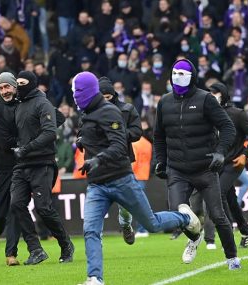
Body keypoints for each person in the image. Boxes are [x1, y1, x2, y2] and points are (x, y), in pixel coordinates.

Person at [73, 72, 201, 285]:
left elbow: (118, 146)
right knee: (90, 230)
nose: (75, 96)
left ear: (86, 91)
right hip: (96, 184)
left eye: (77, 91)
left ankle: (185, 218)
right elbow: (91, 137)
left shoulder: (110, 112)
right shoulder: (85, 114)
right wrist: (82, 142)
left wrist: (97, 159)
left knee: (152, 223)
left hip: (120, 179)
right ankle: (95, 277)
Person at [154, 59, 240, 269]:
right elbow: (159, 136)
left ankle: (232, 258)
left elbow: (228, 127)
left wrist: (220, 153)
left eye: (182, 73)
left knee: (218, 216)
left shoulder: (205, 99)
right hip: (177, 169)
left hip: (205, 167)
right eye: (175, 72)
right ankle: (194, 238)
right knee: (177, 214)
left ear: (192, 76)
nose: (178, 76)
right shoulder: (164, 102)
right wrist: (160, 161)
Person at [10, 71, 73, 265]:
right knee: (16, 204)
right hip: (22, 164)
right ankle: (35, 249)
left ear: (32, 84)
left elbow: (50, 133)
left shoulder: (41, 103)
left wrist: (26, 147)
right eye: (17, 83)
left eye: (22, 83)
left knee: (43, 208)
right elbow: (59, 119)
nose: (18, 86)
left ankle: (65, 244)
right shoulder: (19, 105)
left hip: (42, 163)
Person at [191, 82, 248, 250]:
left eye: (214, 92)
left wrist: (246, 155)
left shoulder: (237, 114)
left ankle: (228, 232)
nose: (211, 95)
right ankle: (245, 230)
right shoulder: (208, 115)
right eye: (209, 92)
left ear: (222, 94)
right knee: (230, 199)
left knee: (219, 193)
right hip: (217, 163)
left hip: (235, 161)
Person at [98, 76, 142, 245]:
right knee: (96, 203)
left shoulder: (127, 109)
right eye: (102, 97)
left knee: (124, 202)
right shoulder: (89, 110)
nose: (105, 100)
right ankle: (95, 238)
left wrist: (118, 135)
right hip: (98, 161)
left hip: (122, 160)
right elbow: (82, 131)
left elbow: (137, 132)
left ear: (113, 94)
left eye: (108, 97)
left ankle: (125, 224)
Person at [0, 72, 21, 266]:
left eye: (7, 86)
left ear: (15, 86)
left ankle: (11, 254)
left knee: (16, 207)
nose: (4, 91)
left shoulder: (24, 103)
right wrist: (27, 142)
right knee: (0, 211)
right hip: (2, 164)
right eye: (1, 88)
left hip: (20, 165)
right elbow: (3, 140)